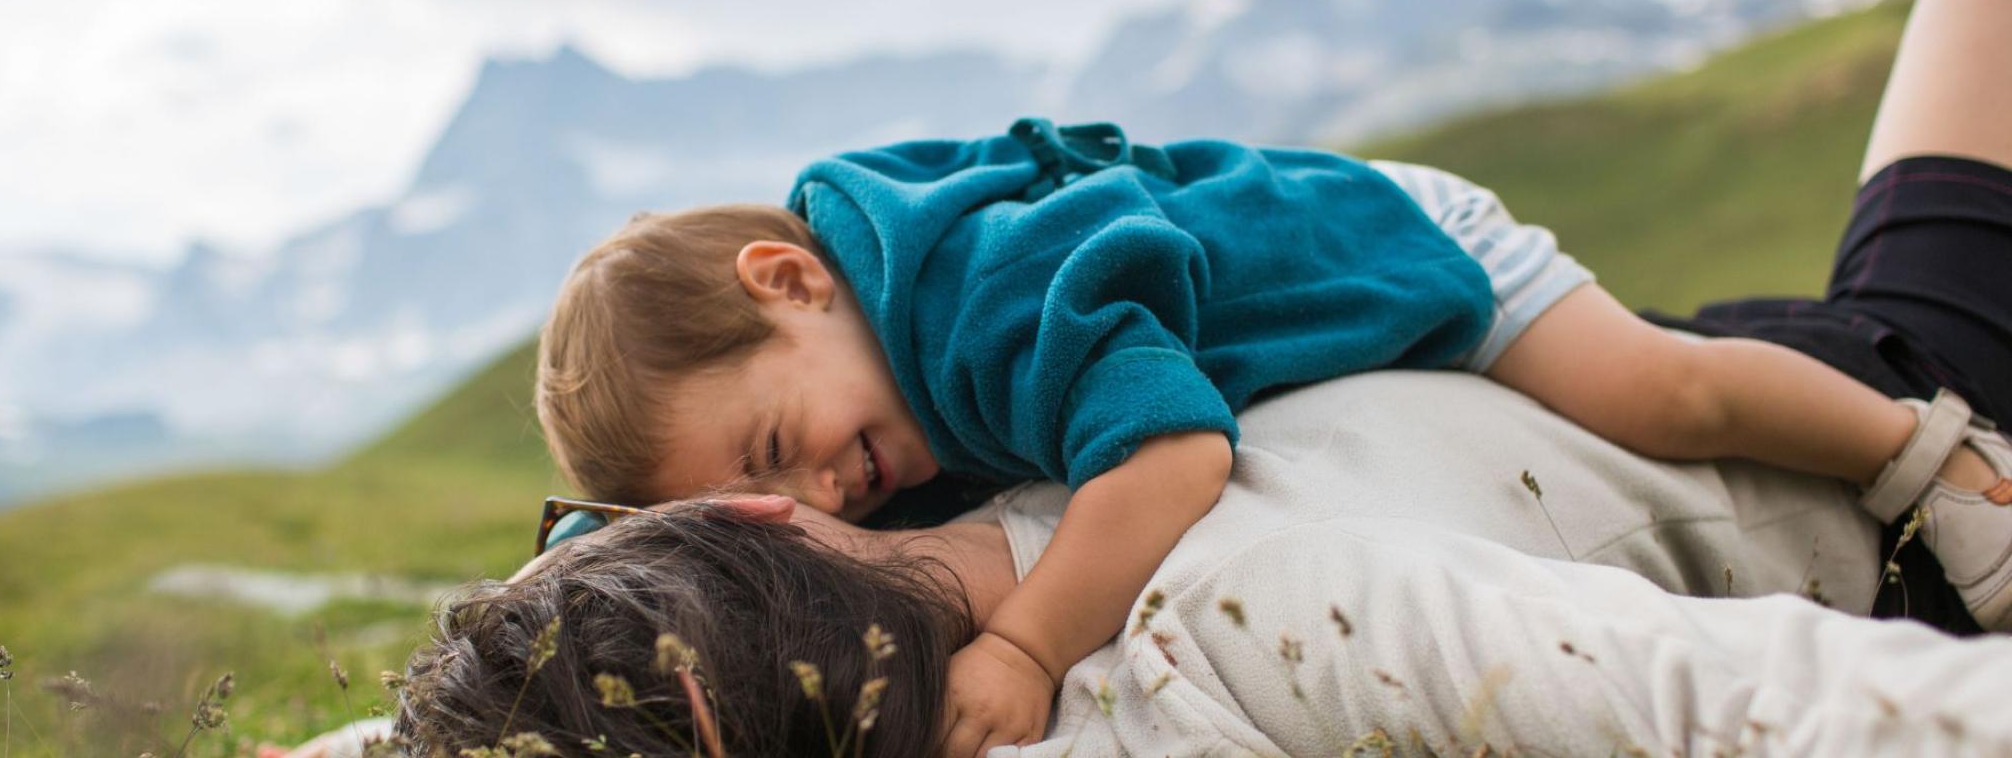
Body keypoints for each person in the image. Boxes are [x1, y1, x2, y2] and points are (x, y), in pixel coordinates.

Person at [533, 0, 2012, 751]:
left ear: (791, 280)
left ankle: (1923, 456)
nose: (834, 495)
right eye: (780, 502)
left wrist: (1030, 640)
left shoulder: (990, 307)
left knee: (1663, 389)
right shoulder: (877, 382)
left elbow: (1176, 453)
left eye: (782, 451)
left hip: (1403, 253)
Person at [381, 370, 2012, 757]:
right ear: (755, 519)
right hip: (1890, 465)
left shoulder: (915, 496)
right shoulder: (1254, 615)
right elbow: (1811, 707)